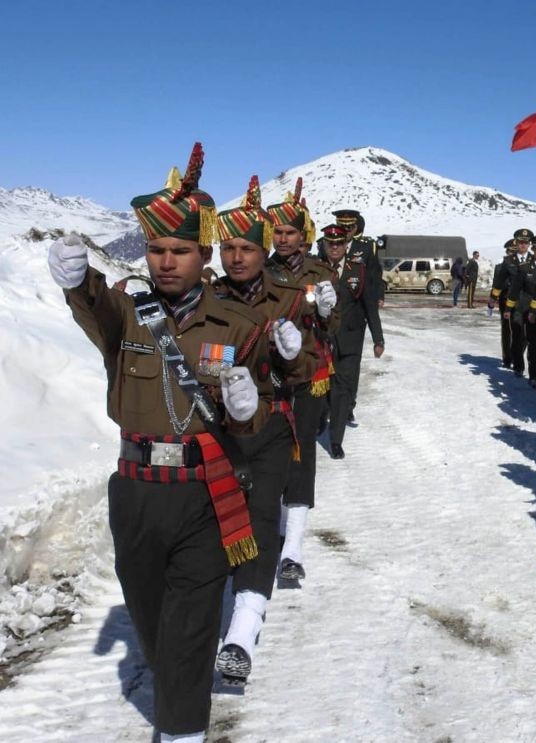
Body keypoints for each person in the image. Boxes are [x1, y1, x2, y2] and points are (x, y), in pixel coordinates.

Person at [47, 143, 272, 743]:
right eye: (156, 250)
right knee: (153, 624)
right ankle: (174, 682)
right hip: (137, 494)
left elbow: (253, 420)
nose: (166, 262)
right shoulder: (126, 310)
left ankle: (182, 731)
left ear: (204, 256)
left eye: (180, 251)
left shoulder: (238, 326)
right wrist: (78, 280)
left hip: (203, 494)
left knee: (190, 632)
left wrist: (249, 412)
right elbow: (94, 303)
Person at [211, 175, 317, 684]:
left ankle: (243, 628)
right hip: (216, 429)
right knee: (215, 524)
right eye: (227, 247)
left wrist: (296, 357)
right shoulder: (206, 298)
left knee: (256, 517)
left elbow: (309, 363)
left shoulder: (289, 297)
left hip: (272, 422)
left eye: (246, 248)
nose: (236, 258)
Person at [265, 180, 338, 583]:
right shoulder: (262, 268)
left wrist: (327, 312)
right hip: (271, 374)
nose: (283, 239)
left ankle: (293, 546)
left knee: (301, 454)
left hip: (310, 375)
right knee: (270, 451)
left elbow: (336, 324)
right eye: (277, 232)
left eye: (290, 232)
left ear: (303, 236)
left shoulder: (320, 272)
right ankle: (273, 526)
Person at [317, 222, 385, 459]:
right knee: (322, 386)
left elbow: (369, 305)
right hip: (322, 339)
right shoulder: (316, 269)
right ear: (324, 245)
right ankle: (321, 417)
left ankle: (336, 440)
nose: (334, 248)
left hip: (350, 338)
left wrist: (378, 339)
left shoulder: (359, 270)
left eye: (339, 243)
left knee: (342, 390)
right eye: (330, 243)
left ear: (346, 245)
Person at [507, 234, 536, 388]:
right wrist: (510, 308)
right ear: (533, 249)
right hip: (529, 312)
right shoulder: (525, 268)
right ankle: (534, 374)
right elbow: (515, 290)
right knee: (533, 342)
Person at [493, 228, 532, 375]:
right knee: (513, 332)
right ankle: (515, 363)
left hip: (529, 304)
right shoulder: (508, 261)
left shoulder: (533, 260)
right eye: (521, 242)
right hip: (512, 302)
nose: (523, 245)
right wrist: (493, 299)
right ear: (517, 243)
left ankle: (518, 356)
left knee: (526, 336)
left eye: (526, 242)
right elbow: (499, 281)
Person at [333, 208, 384, 308]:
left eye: (349, 227)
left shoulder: (366, 248)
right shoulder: (325, 245)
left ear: (355, 228)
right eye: (342, 227)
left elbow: (375, 274)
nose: (346, 230)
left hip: (356, 303)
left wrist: (379, 295)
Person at [488, 238, 517, 364]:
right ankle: (507, 356)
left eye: (515, 252)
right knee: (507, 330)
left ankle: (517, 354)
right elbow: (496, 285)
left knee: (521, 332)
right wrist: (492, 301)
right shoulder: (500, 267)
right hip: (505, 301)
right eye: (511, 252)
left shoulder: (524, 266)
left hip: (521, 302)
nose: (512, 254)